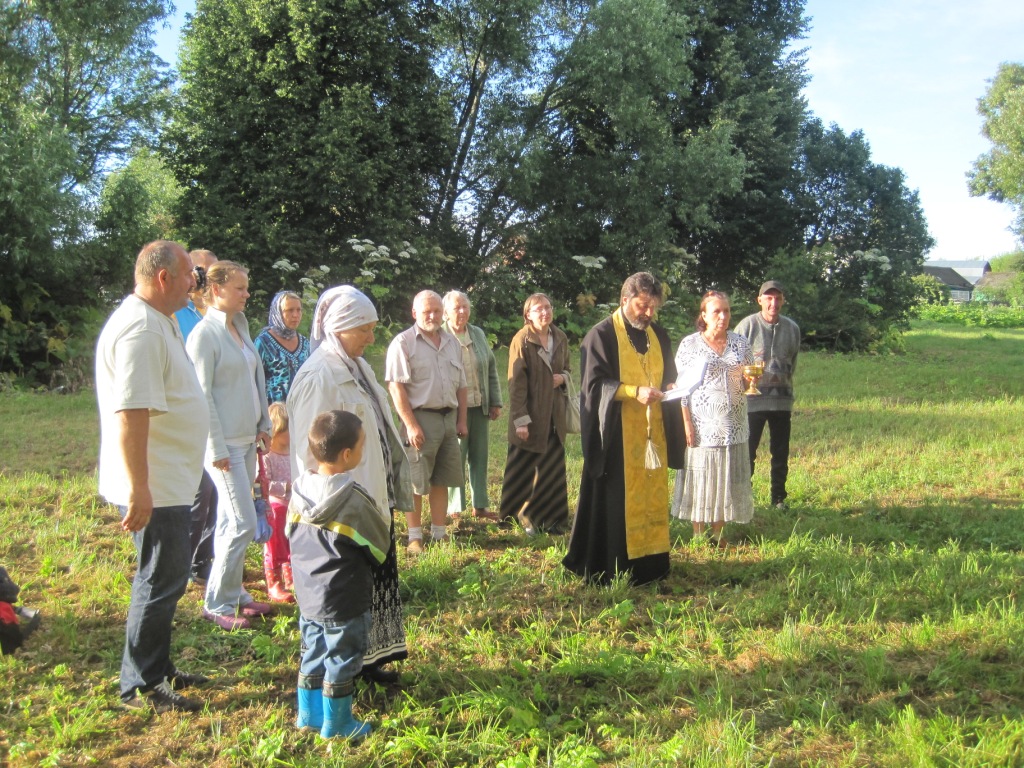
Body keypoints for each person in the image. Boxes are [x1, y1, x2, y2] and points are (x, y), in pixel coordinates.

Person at [96, 240, 211, 713]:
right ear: (163, 277)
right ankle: (140, 685)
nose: (194, 282)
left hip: (170, 478)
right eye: (189, 275)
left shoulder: (157, 321)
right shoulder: (140, 329)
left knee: (168, 578)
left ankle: (158, 668)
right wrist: (139, 486)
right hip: (155, 485)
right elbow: (130, 414)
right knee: (159, 580)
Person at [288, 285, 412, 683]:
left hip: (368, 497)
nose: (372, 338)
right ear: (340, 329)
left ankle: (370, 659)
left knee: (373, 582)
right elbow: (309, 454)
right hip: (340, 511)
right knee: (348, 591)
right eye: (366, 330)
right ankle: (342, 672)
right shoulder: (318, 376)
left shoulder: (358, 366)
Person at [563, 272, 685, 585]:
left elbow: (667, 373)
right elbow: (593, 386)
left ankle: (652, 566)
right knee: (619, 502)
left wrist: (672, 384)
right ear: (625, 300)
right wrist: (633, 391)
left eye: (652, 307)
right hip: (616, 435)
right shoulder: (600, 336)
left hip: (651, 433)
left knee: (652, 497)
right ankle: (615, 569)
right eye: (642, 306)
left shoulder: (658, 334)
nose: (648, 313)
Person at [287, 410, 390, 740]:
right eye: (361, 445)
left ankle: (308, 714)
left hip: (309, 598)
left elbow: (290, 535)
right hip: (345, 600)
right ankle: (338, 724)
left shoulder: (298, 492)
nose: (363, 450)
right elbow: (379, 545)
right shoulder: (354, 500)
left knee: (312, 652)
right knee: (342, 659)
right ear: (348, 455)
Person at [187, 261, 273, 631]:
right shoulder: (205, 335)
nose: (247, 294)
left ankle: (235, 593)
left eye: (247, 287)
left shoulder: (239, 327)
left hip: (247, 440)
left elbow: (256, 377)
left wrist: (264, 423)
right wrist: (215, 446)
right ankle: (217, 602)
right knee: (242, 522)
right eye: (240, 288)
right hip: (223, 447)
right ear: (217, 290)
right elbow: (200, 395)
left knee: (228, 520)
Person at [385, 290, 468, 554]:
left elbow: (462, 385)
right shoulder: (403, 343)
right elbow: (396, 387)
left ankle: (440, 532)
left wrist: (462, 420)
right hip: (420, 419)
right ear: (414, 313)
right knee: (416, 481)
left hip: (448, 419)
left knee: (441, 478)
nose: (432, 316)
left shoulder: (452, 342)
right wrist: (410, 425)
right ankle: (414, 537)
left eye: (436, 311)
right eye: (426, 311)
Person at [670, 291, 755, 546]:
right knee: (702, 478)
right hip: (702, 424)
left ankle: (718, 534)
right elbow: (680, 388)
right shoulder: (690, 345)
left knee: (726, 478)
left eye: (727, 311)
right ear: (704, 315)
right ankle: (698, 533)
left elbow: (748, 378)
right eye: (716, 311)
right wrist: (685, 422)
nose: (723, 316)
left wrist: (751, 379)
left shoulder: (741, 343)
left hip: (734, 423)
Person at [498, 293, 571, 534]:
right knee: (521, 469)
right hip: (529, 417)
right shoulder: (522, 340)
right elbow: (515, 384)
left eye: (548, 307)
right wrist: (521, 421)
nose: (544, 312)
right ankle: (509, 520)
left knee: (553, 469)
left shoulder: (560, 337)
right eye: (538, 309)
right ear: (527, 314)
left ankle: (553, 522)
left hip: (554, 415)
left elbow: (568, 370)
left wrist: (562, 378)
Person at [174, 248, 220, 589]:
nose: (201, 279)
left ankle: (203, 563)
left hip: (210, 409)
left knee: (211, 493)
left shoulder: (202, 310)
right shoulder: (174, 312)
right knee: (197, 493)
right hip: (184, 411)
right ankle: (180, 565)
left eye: (208, 273)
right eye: (198, 272)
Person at [734, 280, 800, 510]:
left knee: (780, 453)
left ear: (783, 300)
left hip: (782, 401)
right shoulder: (747, 326)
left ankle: (778, 498)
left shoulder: (792, 328)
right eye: (768, 298)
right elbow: (735, 362)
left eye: (778, 298)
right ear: (759, 300)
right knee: (747, 452)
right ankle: (744, 498)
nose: (773, 303)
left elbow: (793, 362)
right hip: (752, 401)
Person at [442, 291, 502, 522]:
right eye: (456, 307)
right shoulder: (441, 336)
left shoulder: (477, 333)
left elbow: (491, 368)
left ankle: (481, 505)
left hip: (479, 405)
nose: (462, 312)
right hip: (455, 408)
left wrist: (495, 401)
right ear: (445, 312)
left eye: (465, 307)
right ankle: (455, 506)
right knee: (456, 455)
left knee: (480, 456)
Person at [260, 402, 295, 603]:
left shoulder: (293, 452)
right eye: (286, 429)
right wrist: (286, 487)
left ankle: (291, 574)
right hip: (276, 502)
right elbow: (265, 483)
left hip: (294, 502)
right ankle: (274, 580)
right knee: (277, 521)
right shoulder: (268, 455)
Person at [255, 290, 310, 404]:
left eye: (298, 310)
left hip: (301, 408)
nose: (295, 315)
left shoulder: (305, 343)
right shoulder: (264, 343)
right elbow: (254, 379)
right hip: (274, 414)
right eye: (289, 310)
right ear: (278, 313)